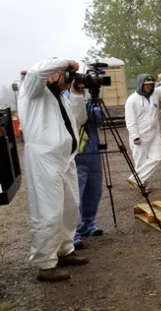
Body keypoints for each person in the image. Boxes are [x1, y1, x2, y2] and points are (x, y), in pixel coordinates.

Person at [17, 57, 90, 282]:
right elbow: (37, 72)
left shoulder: (60, 97)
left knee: (70, 207)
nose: (69, 80)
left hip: (64, 158)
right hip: (44, 158)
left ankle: (64, 250)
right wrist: (65, 63)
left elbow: (79, 119)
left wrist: (77, 93)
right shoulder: (33, 91)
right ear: (56, 73)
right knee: (48, 211)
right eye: (66, 76)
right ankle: (46, 264)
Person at [64, 81, 104, 250]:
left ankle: (89, 223)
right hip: (77, 154)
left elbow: (99, 121)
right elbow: (75, 120)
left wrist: (95, 102)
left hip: (93, 150)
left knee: (94, 190)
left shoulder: (86, 100)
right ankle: (73, 233)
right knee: (75, 194)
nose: (81, 87)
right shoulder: (64, 99)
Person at [124, 73, 161, 192]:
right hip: (140, 136)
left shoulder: (155, 94)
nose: (149, 87)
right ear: (140, 85)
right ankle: (142, 185)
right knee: (141, 162)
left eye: (151, 85)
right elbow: (130, 121)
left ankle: (135, 179)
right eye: (146, 85)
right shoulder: (132, 100)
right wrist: (135, 137)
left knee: (157, 157)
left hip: (154, 133)